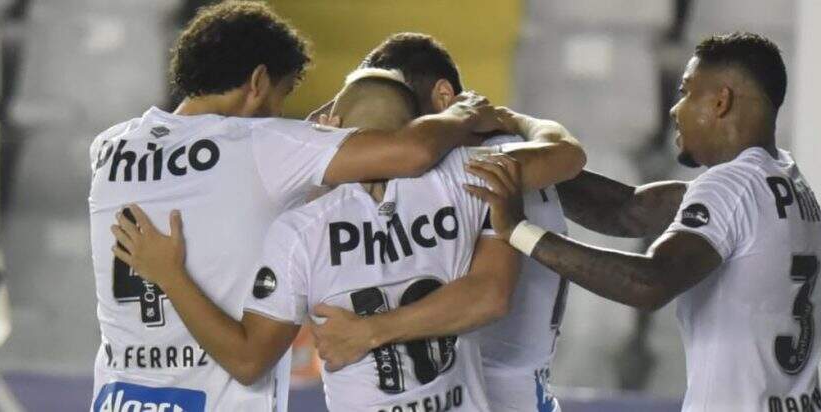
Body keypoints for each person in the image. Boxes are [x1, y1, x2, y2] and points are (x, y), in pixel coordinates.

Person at [88, 3, 503, 411]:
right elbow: (413, 151)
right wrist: (464, 112)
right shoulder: (261, 146)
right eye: (282, 96)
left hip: (118, 399)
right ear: (257, 81)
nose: (280, 115)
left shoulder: (110, 147)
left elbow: (212, 191)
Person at [109, 69, 577, 411]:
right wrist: (516, 121)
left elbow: (248, 360)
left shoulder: (299, 228)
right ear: (418, 127)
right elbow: (566, 155)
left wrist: (170, 275)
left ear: (334, 126)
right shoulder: (467, 177)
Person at [471, 32, 821, 412]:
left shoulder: (732, 185)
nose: (676, 110)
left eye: (686, 91)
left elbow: (649, 283)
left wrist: (519, 231)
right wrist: (513, 149)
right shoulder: (787, 181)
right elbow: (629, 209)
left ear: (721, 101)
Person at [311, 33, 583, 411]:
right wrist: (514, 118)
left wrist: (369, 332)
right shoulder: (510, 160)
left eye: (398, 104)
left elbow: (488, 295)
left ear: (443, 98)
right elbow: (568, 153)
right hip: (525, 389)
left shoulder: (454, 172)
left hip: (476, 391)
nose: (391, 126)